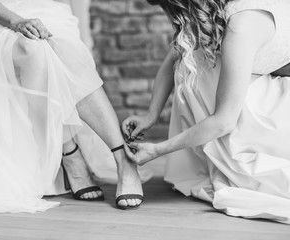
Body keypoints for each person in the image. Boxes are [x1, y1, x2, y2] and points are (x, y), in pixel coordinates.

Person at [0, 0, 146, 215]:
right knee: (33, 48)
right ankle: (70, 154)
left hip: (49, 10)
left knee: (61, 48)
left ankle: (123, 159)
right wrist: (17, 22)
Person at [123, 0, 290, 223]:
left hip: (279, 108)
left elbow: (224, 121)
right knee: (191, 57)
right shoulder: (221, 9)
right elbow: (176, 55)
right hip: (272, 82)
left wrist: (158, 150)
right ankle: (217, 158)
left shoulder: (242, 24)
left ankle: (239, 161)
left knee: (198, 67)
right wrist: (151, 115)